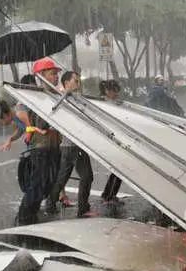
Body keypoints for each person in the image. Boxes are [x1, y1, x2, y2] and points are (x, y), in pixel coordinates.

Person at [13, 58, 62, 226]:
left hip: (54, 146)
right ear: (41, 75)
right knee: (37, 184)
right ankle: (24, 217)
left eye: (56, 74)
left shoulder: (56, 95)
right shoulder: (35, 95)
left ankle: (31, 214)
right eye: (52, 74)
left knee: (48, 184)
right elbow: (23, 113)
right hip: (40, 147)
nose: (56, 77)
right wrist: (33, 124)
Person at [45, 70, 94, 217]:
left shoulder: (67, 98)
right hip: (74, 145)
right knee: (87, 176)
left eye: (79, 81)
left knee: (62, 178)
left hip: (67, 146)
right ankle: (83, 209)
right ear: (66, 83)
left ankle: (50, 204)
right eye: (76, 81)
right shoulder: (64, 99)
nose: (78, 84)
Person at [99, 79, 123, 203]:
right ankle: (109, 195)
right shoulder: (102, 103)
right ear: (107, 91)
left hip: (116, 138)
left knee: (119, 170)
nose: (117, 94)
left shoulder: (114, 103)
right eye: (114, 91)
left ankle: (108, 194)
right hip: (111, 139)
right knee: (118, 169)